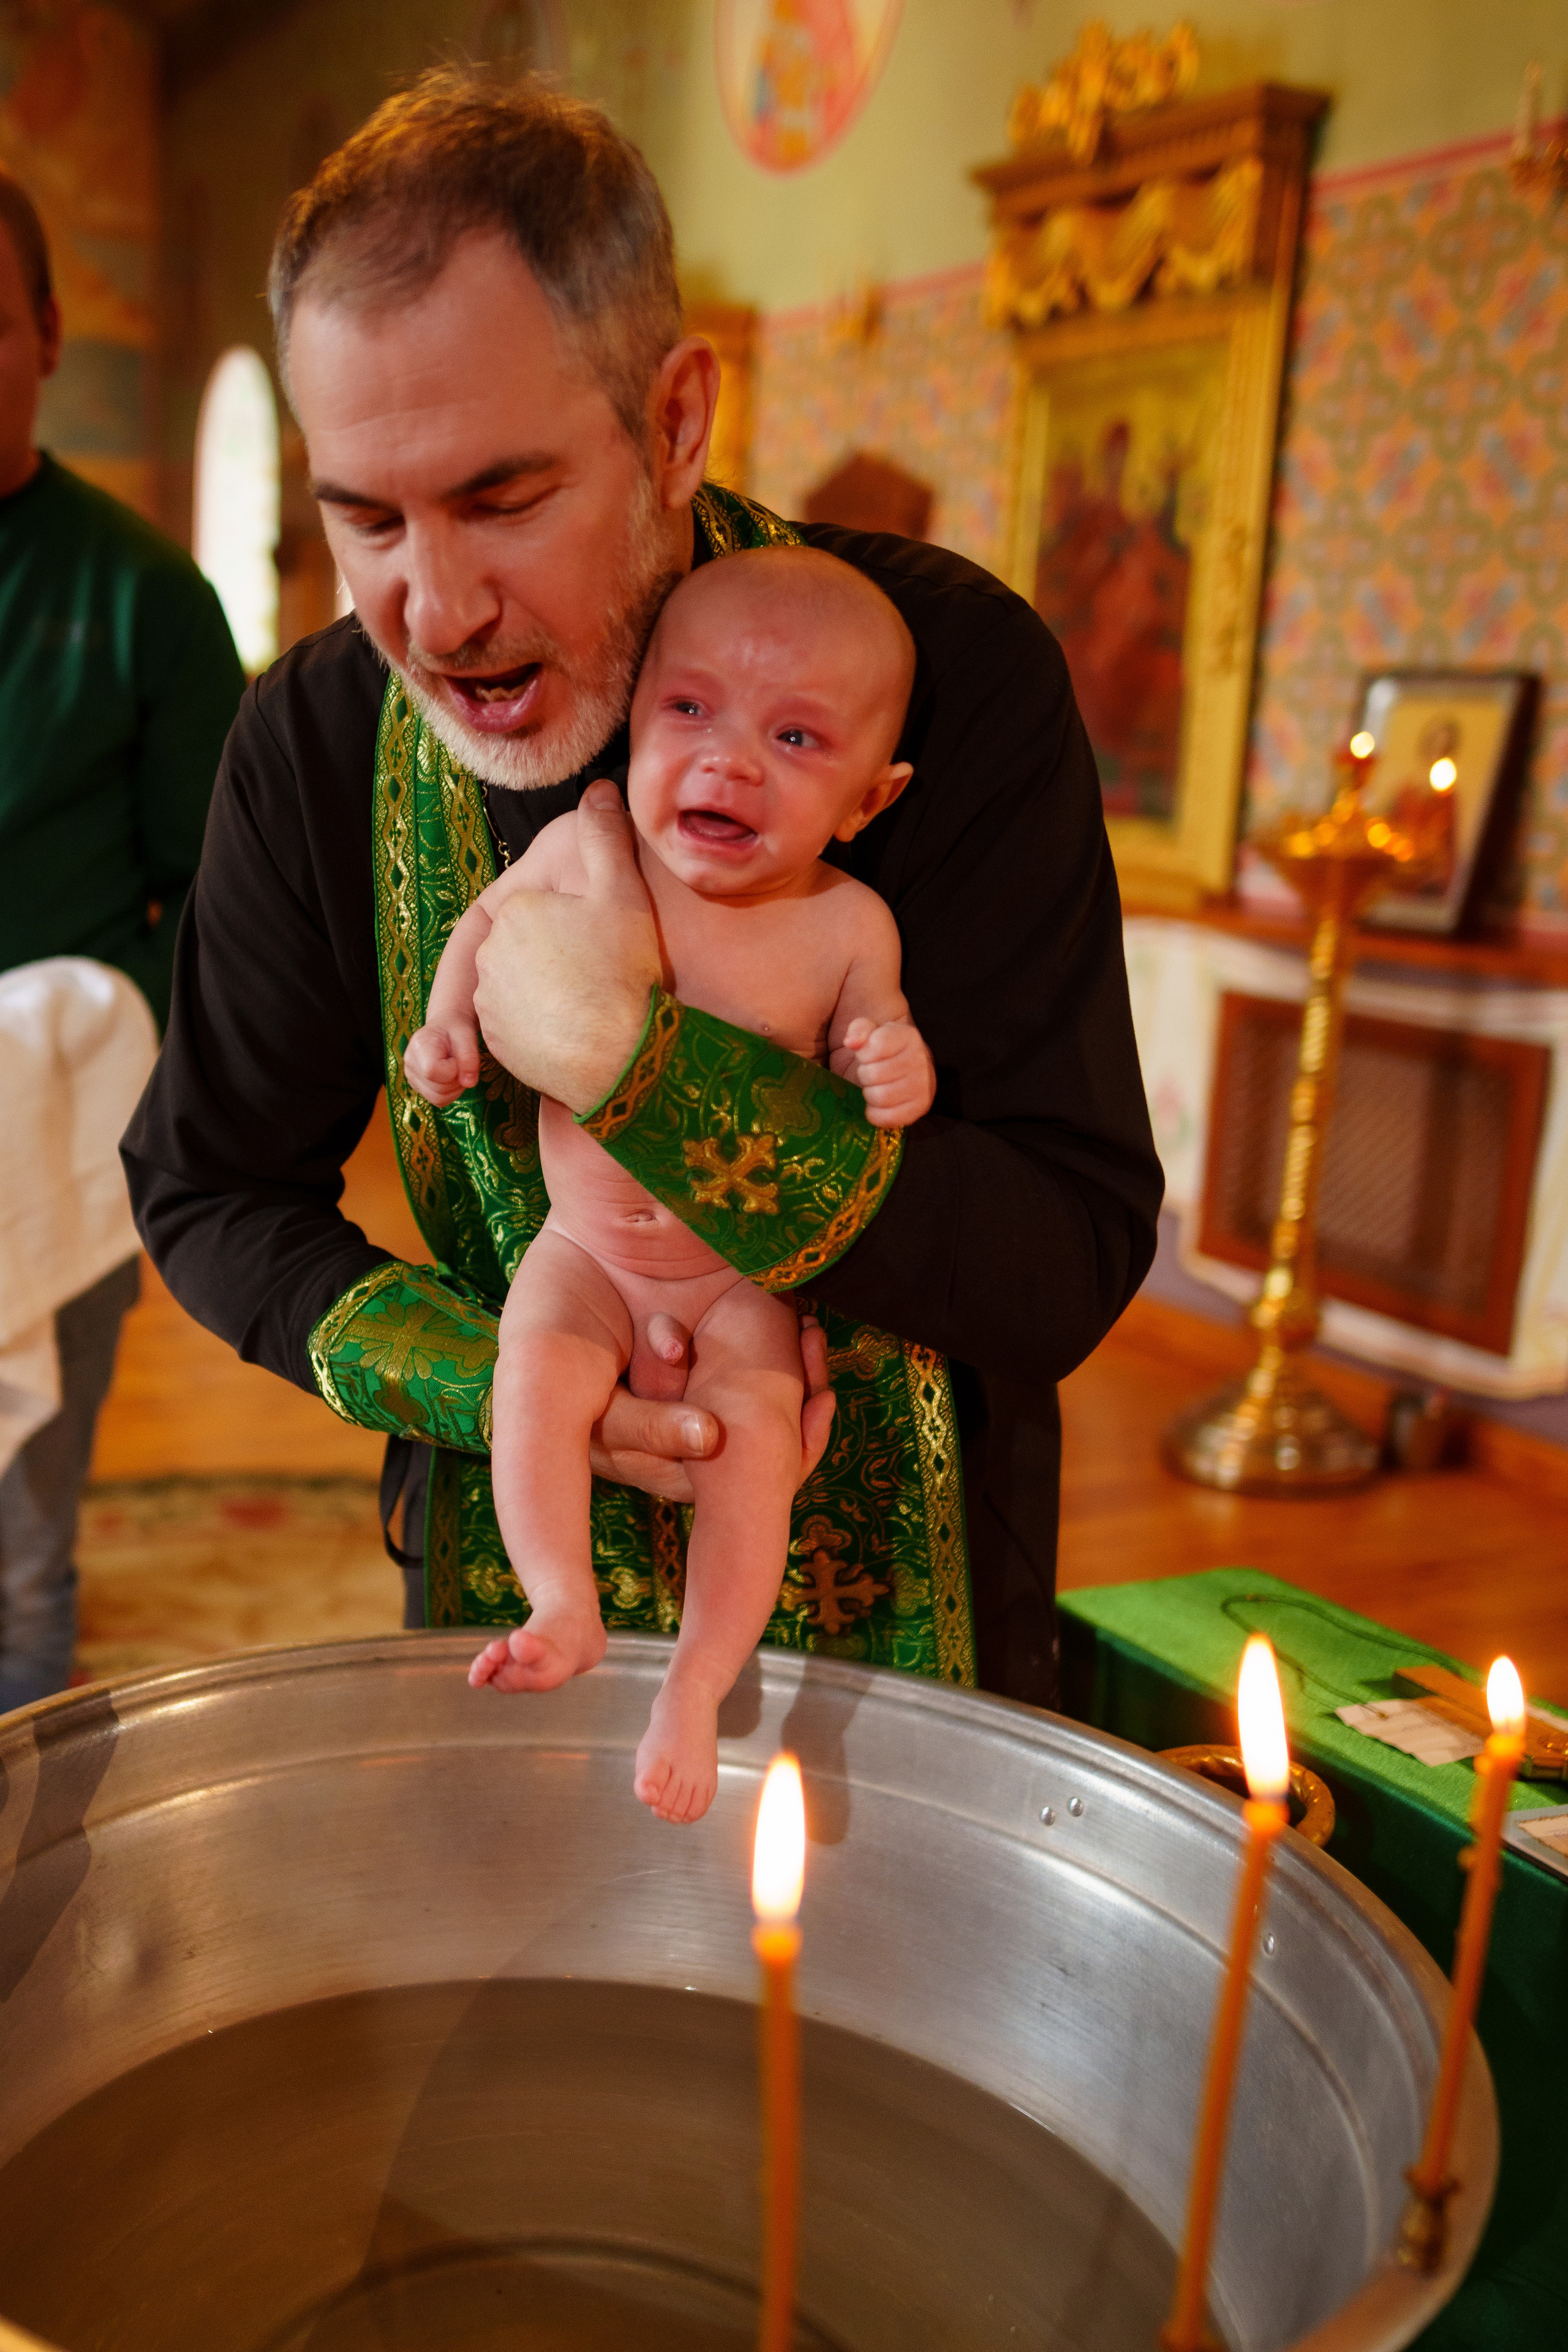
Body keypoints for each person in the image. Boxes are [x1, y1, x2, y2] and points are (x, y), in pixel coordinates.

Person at [123, 70, 1163, 1714]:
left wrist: (641, 1071)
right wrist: (520, 1384)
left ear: (677, 421)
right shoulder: (318, 734)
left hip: (909, 1635)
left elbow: (1067, 1258)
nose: (436, 608)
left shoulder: (943, 678)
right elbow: (207, 1193)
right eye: (366, 519)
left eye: (502, 498)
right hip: (501, 1589)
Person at [408, 548, 935, 1822]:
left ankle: (699, 1681)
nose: (728, 760)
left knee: (753, 1440)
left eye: (795, 736)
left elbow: (881, 1040)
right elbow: (481, 930)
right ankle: (562, 1601)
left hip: (733, 1277)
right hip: (584, 1252)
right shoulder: (594, 857)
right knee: (530, 1375)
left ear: (870, 796)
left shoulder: (848, 926)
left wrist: (892, 1060)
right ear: (632, 715)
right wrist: (445, 1031)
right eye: (687, 711)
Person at [0, 168, 244, 1708]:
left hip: (50, 1131)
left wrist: (77, 1051)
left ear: (43, 332)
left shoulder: (145, 596)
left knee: (16, 1542)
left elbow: (215, 912)